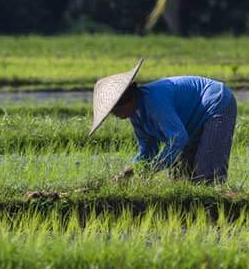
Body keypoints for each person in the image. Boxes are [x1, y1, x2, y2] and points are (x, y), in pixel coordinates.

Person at [89, 59, 237, 183]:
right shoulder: (137, 115)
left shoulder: (154, 101)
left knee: (207, 174)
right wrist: (129, 172)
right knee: (179, 179)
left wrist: (155, 168)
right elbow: (147, 149)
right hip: (191, 120)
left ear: (129, 100)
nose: (115, 115)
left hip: (216, 102)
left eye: (115, 110)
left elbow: (178, 138)